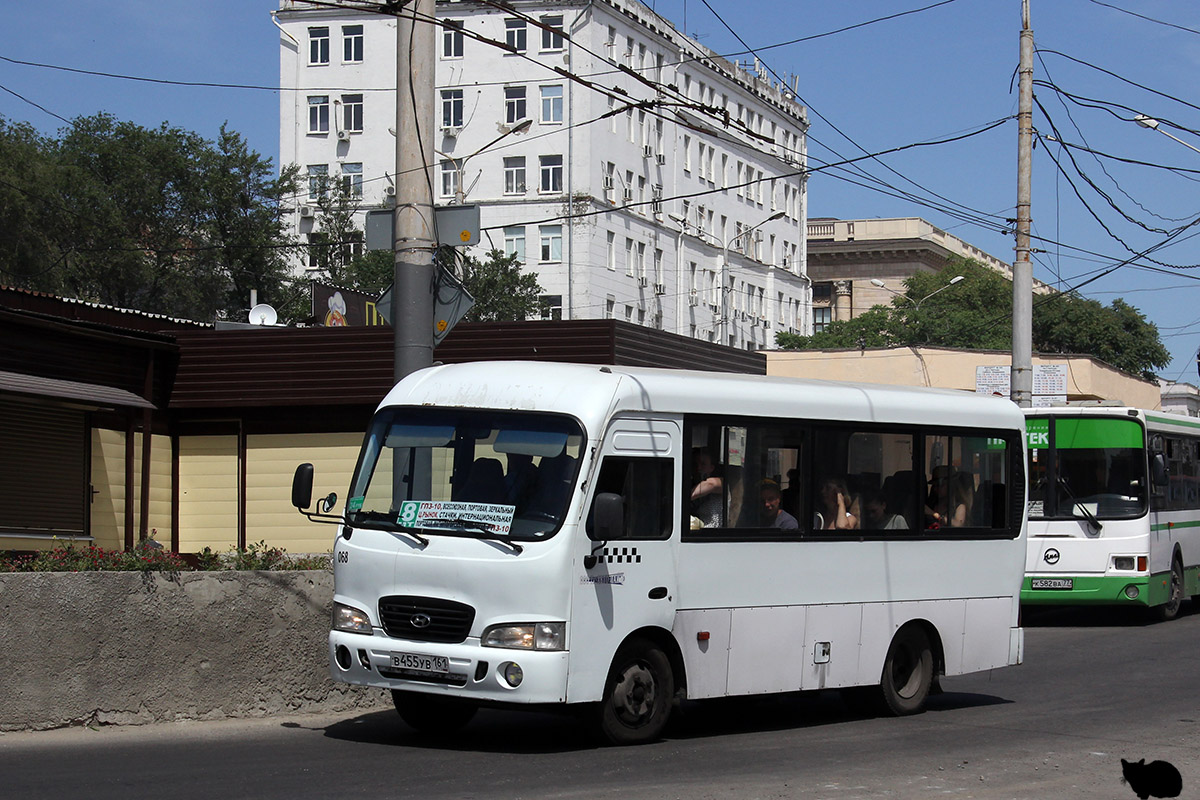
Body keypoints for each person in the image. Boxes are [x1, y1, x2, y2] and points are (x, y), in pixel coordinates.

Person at [690, 447, 724, 527]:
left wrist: (683, 498)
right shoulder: (692, 484)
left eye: (703, 464)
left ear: (711, 468)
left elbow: (711, 484)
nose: (698, 468)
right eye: (695, 464)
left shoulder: (720, 482)